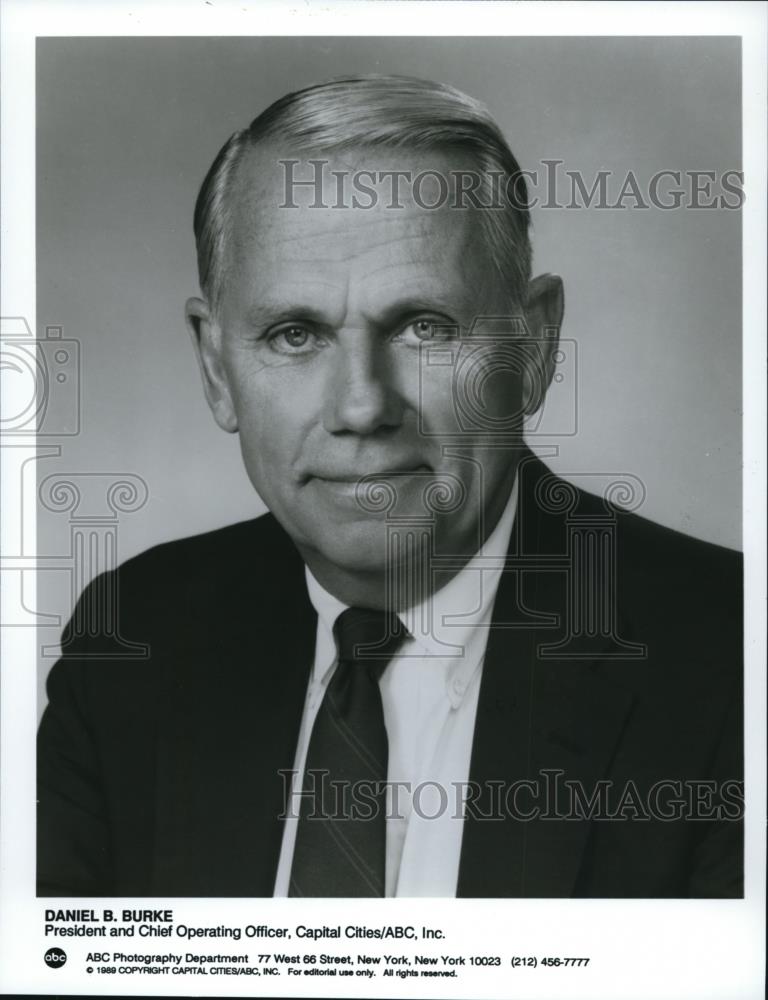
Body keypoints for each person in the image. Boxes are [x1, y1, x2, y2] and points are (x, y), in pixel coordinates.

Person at [37, 75, 742, 898]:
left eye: (424, 327)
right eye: (294, 334)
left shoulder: (730, 661)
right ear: (215, 367)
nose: (363, 406)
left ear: (536, 346)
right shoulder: (135, 641)